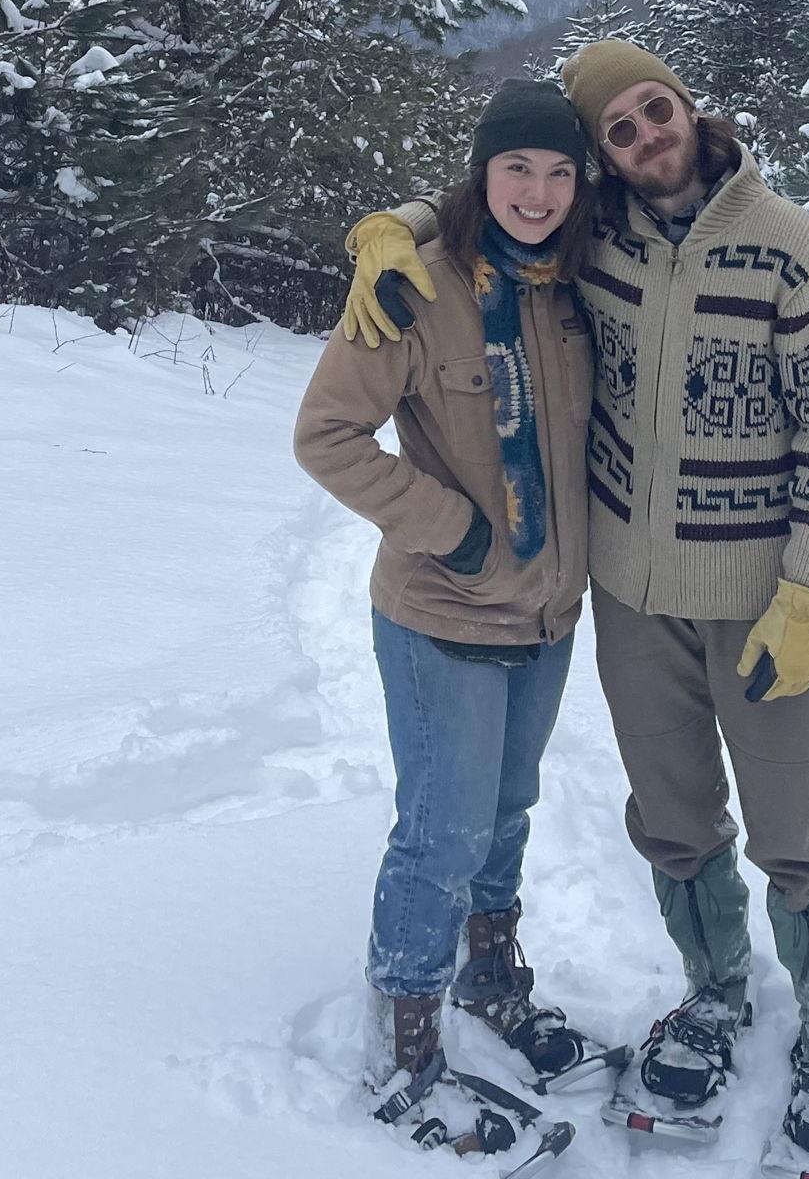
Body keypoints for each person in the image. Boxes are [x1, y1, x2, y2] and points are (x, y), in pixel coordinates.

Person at [342, 40, 809, 1167]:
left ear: (688, 105)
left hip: (758, 599)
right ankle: (716, 990)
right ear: (606, 161)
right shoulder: (597, 244)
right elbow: (491, 205)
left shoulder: (787, 242)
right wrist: (384, 226)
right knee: (677, 820)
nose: (645, 137)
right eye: (620, 132)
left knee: (798, 831)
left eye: (654, 111)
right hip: (632, 598)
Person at [293, 79, 617, 1135]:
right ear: (482, 173)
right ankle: (408, 1025)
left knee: (507, 812)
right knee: (443, 828)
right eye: (517, 167)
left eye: (559, 170)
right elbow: (328, 434)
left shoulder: (578, 284)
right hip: (444, 609)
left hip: (546, 614)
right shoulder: (413, 285)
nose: (537, 190)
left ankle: (488, 972)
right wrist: (456, 529)